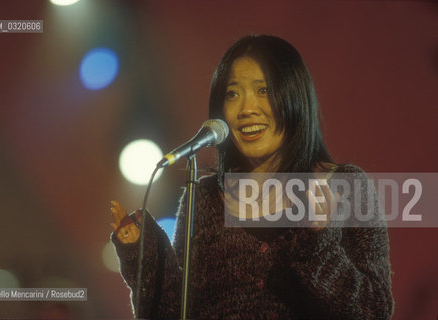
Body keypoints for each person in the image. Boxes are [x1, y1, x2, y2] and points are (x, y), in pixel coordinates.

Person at [109, 35, 394, 319]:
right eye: (232, 93)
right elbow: (175, 312)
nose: (246, 109)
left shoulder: (346, 187)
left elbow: (374, 310)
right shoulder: (205, 199)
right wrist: (142, 255)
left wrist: (319, 244)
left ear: (294, 96)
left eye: (264, 90)